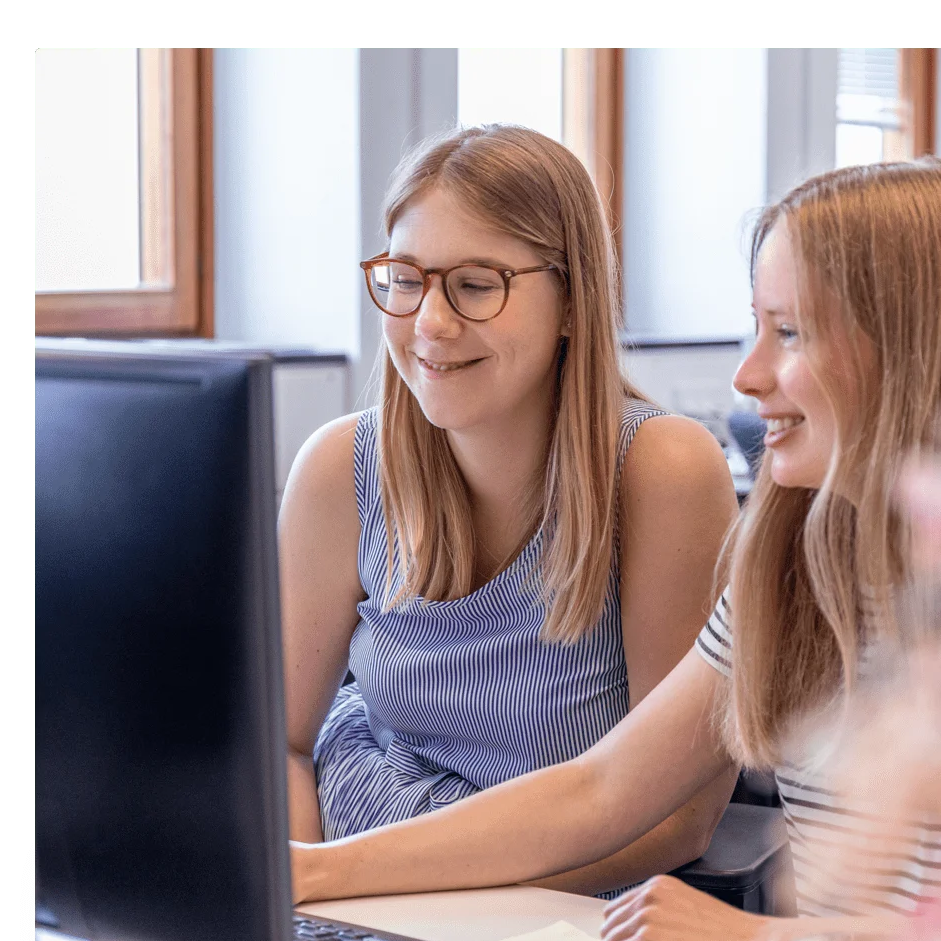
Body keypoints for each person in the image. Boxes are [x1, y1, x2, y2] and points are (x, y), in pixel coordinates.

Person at [289, 159, 941, 941]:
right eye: (756, 329)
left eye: (790, 333)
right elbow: (603, 789)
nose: (748, 375)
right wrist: (310, 874)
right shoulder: (800, 557)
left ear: (913, 345)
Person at [281, 125, 741, 898]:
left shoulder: (663, 471)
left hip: (544, 905)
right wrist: (297, 917)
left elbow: (680, 818)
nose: (429, 322)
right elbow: (285, 745)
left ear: (571, 300)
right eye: (405, 278)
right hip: (351, 881)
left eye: (476, 284)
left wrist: (374, 888)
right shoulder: (340, 468)